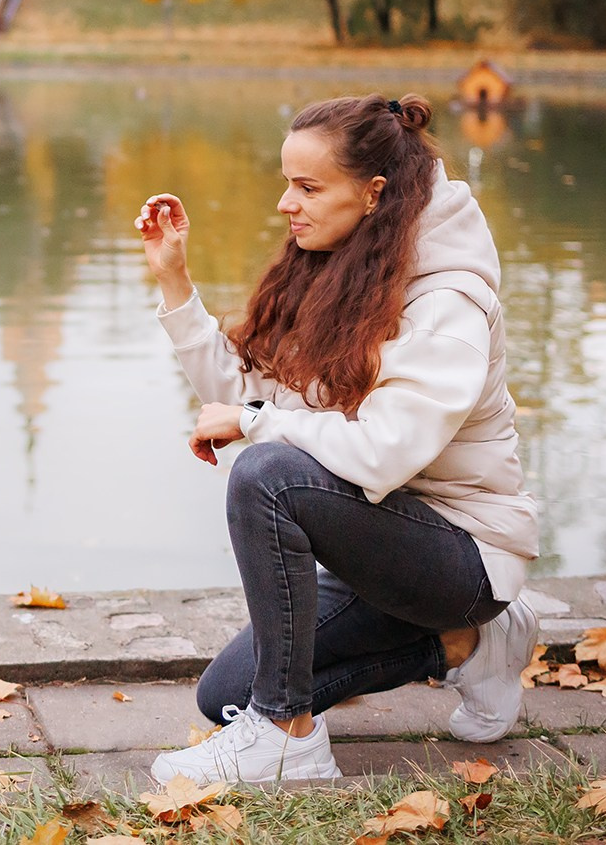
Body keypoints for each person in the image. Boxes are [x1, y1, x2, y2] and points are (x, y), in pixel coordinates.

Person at [135, 93, 539, 786]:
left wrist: (259, 424)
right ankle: (468, 645)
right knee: (222, 696)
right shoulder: (338, 265)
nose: (287, 203)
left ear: (374, 192)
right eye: (288, 182)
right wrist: (174, 279)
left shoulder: (449, 301)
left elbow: (384, 449)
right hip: (378, 542)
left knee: (268, 474)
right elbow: (247, 390)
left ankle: (287, 736)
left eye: (307, 186)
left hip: (462, 553)